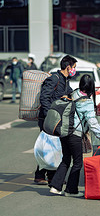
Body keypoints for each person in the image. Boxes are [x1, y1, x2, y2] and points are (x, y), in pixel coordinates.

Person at [49, 74, 100, 197]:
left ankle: (55, 186)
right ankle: (71, 190)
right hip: (75, 134)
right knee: (77, 162)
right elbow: (92, 122)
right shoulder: (86, 102)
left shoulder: (73, 94)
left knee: (66, 159)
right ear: (91, 87)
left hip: (64, 132)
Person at [34, 54, 77, 185]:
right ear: (68, 67)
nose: (75, 70)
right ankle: (46, 176)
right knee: (50, 147)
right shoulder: (54, 79)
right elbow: (44, 98)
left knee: (53, 148)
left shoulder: (65, 81)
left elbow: (70, 94)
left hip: (56, 119)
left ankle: (46, 175)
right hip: (49, 119)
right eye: (74, 67)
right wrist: (49, 116)